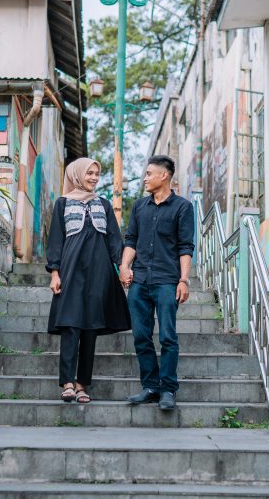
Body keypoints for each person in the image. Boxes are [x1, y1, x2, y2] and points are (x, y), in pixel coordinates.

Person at [46, 157, 131, 404]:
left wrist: (122, 267)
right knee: (70, 324)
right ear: (76, 174)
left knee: (91, 328)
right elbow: (56, 240)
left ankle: (82, 385)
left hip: (99, 271)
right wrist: (54, 272)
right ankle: (67, 383)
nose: (94, 178)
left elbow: (114, 239)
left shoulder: (103, 204)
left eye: (96, 174)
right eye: (89, 173)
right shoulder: (62, 203)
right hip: (71, 270)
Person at [119, 154, 195, 411]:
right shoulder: (139, 207)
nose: (145, 178)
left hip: (167, 281)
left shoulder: (183, 207)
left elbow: (185, 246)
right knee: (141, 335)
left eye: (149, 174)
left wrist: (183, 280)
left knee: (167, 337)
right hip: (139, 280)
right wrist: (124, 266)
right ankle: (150, 386)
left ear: (164, 175)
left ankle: (168, 389)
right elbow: (131, 240)